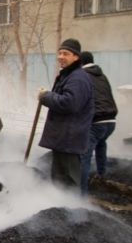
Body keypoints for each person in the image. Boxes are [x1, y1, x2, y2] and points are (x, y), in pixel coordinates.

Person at [37, 39, 93, 192]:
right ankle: (60, 210)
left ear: (76, 57)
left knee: (67, 180)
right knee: (60, 178)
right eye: (60, 53)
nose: (61, 56)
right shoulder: (69, 75)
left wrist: (45, 97)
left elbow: (70, 103)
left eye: (66, 54)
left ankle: (71, 212)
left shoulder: (77, 78)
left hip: (69, 138)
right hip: (64, 137)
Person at [79, 51, 118, 197]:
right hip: (111, 120)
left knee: (84, 155)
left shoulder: (83, 76)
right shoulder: (102, 76)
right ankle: (102, 174)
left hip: (97, 121)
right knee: (101, 144)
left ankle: (80, 194)